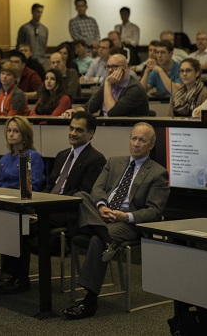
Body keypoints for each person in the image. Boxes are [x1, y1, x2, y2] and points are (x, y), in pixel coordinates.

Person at [63, 122, 170, 320]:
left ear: (151, 145)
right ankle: (105, 237)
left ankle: (89, 301)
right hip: (102, 215)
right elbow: (97, 190)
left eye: (142, 140)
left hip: (127, 223)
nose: (136, 144)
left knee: (95, 240)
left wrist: (124, 216)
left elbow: (154, 211)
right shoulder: (114, 162)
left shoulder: (158, 173)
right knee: (81, 195)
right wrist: (102, 207)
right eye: (133, 138)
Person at [0, 116, 44, 294]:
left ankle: (18, 277)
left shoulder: (32, 156)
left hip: (24, 208)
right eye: (9, 130)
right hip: (4, 204)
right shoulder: (6, 158)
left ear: (25, 134)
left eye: (15, 131)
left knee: (12, 221)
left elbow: (33, 186)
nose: (11, 134)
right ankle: (8, 274)